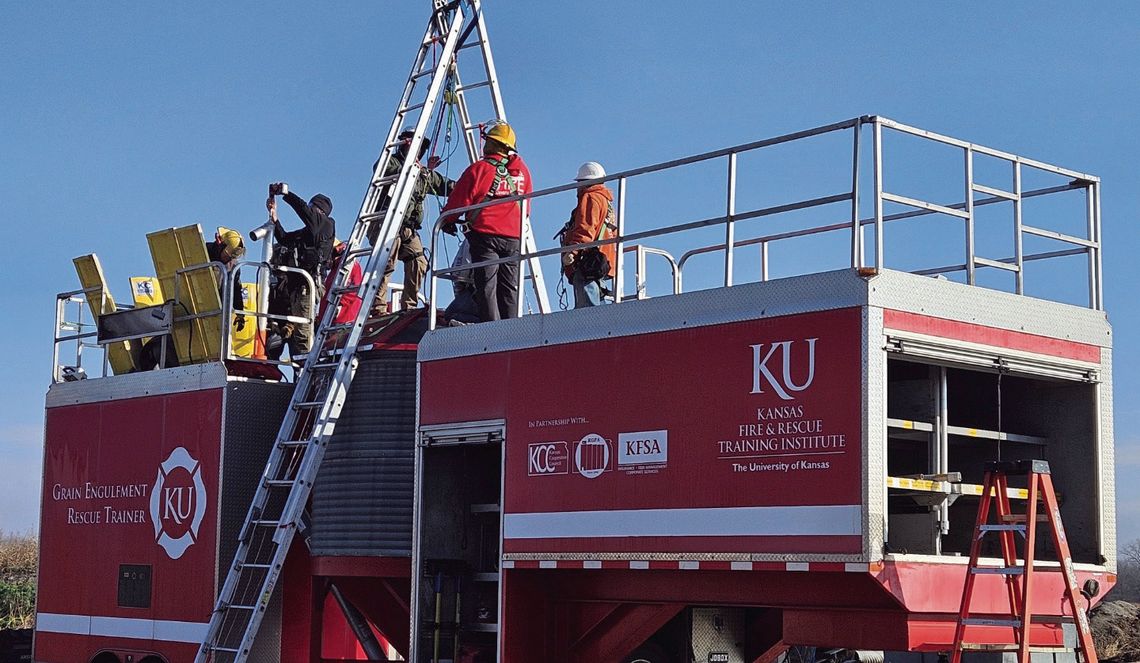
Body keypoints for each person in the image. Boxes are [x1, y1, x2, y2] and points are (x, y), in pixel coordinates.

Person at [439, 120, 532, 322]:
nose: (485, 144)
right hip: (514, 237)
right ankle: (510, 326)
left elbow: (458, 201)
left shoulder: (479, 169)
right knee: (509, 286)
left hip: (486, 236)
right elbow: (527, 207)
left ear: (495, 144)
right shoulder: (522, 172)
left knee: (487, 284)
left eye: (489, 140)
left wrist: (447, 220)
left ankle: (491, 327)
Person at [370, 127, 455, 313]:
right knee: (386, 261)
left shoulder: (423, 173)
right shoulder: (393, 163)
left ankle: (409, 306)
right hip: (386, 223)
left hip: (407, 228)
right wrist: (417, 167)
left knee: (419, 261)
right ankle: (377, 308)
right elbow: (381, 167)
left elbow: (449, 186)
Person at [266, 183, 336, 358]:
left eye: (313, 208)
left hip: (308, 286)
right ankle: (302, 370)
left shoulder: (326, 226)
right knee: (298, 332)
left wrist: (286, 194)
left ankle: (306, 372)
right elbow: (285, 239)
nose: (310, 210)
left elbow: (304, 209)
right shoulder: (308, 233)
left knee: (303, 333)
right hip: (297, 288)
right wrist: (274, 218)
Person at [559, 162, 616, 308]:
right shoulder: (606, 202)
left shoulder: (590, 197)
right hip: (601, 260)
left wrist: (572, 252)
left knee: (587, 310)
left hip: (588, 262)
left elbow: (585, 228)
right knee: (598, 303)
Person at [205, 226, 247, 329]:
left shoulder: (233, 266)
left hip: (217, 313)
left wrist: (240, 314)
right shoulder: (202, 253)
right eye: (230, 254)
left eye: (234, 256)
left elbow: (236, 290)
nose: (230, 259)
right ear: (219, 242)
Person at [322, 238, 363, 326]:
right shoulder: (335, 269)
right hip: (329, 319)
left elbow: (353, 290)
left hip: (342, 319)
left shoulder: (350, 266)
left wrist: (337, 309)